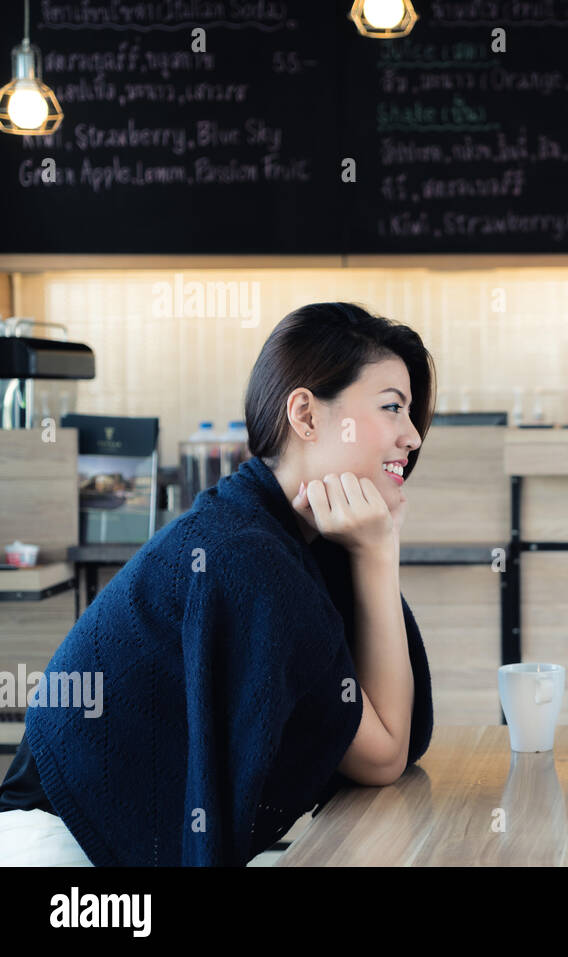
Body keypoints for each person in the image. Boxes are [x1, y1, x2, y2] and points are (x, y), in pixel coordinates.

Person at [0, 302, 437, 866]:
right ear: (304, 414)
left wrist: (375, 551)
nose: (412, 436)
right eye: (392, 408)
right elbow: (382, 756)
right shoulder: (247, 554)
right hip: (62, 847)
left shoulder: (281, 535)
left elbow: (386, 743)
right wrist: (378, 554)